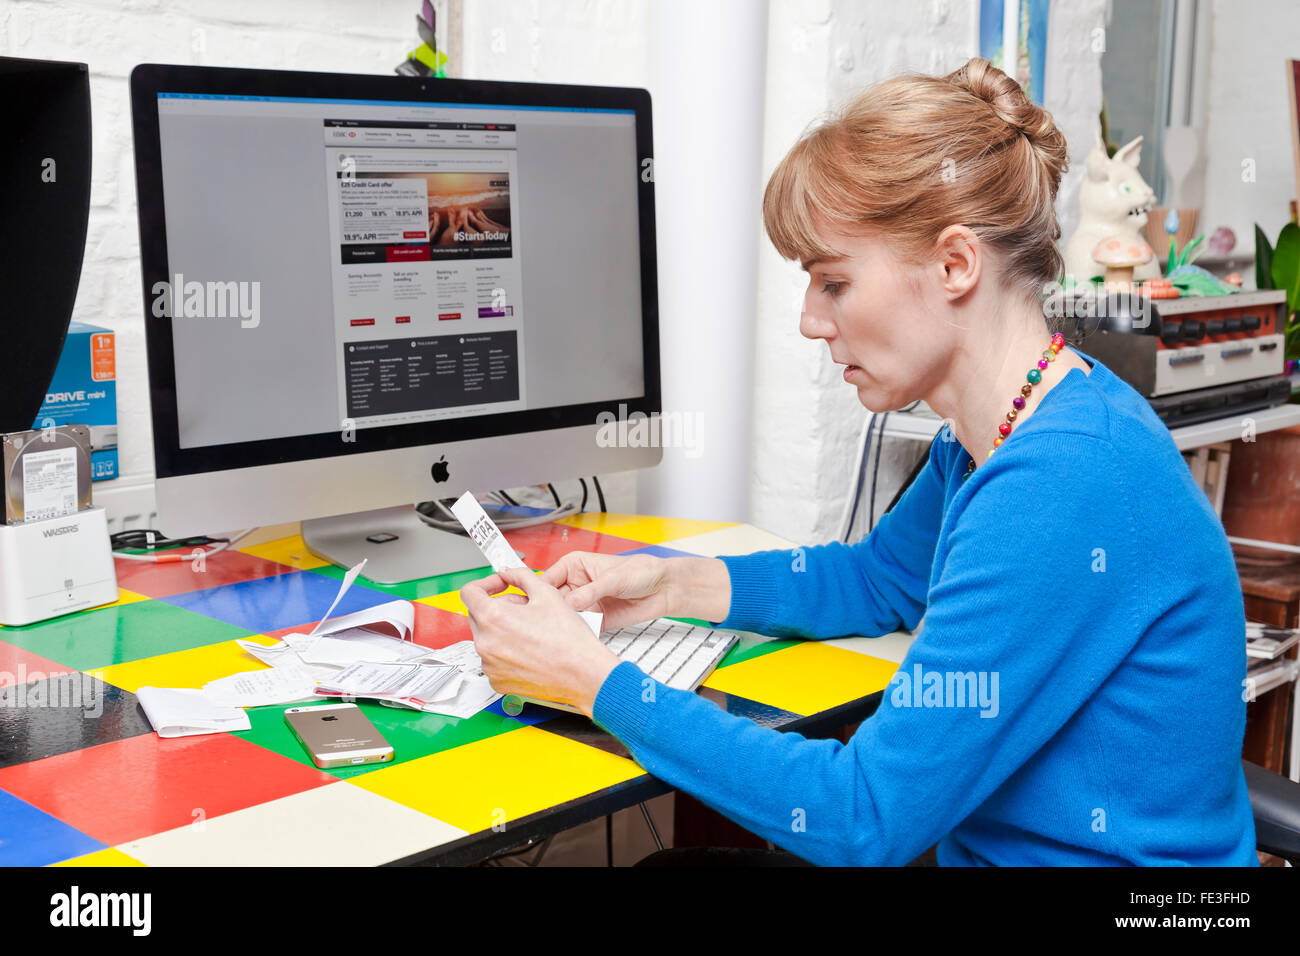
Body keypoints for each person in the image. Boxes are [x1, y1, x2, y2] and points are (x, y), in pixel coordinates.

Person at [459, 57, 1258, 866]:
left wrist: (593, 680)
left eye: (833, 282)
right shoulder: (1009, 427)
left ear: (955, 265)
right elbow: (880, 581)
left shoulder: (1062, 487)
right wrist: (669, 585)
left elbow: (862, 818)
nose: (812, 321)